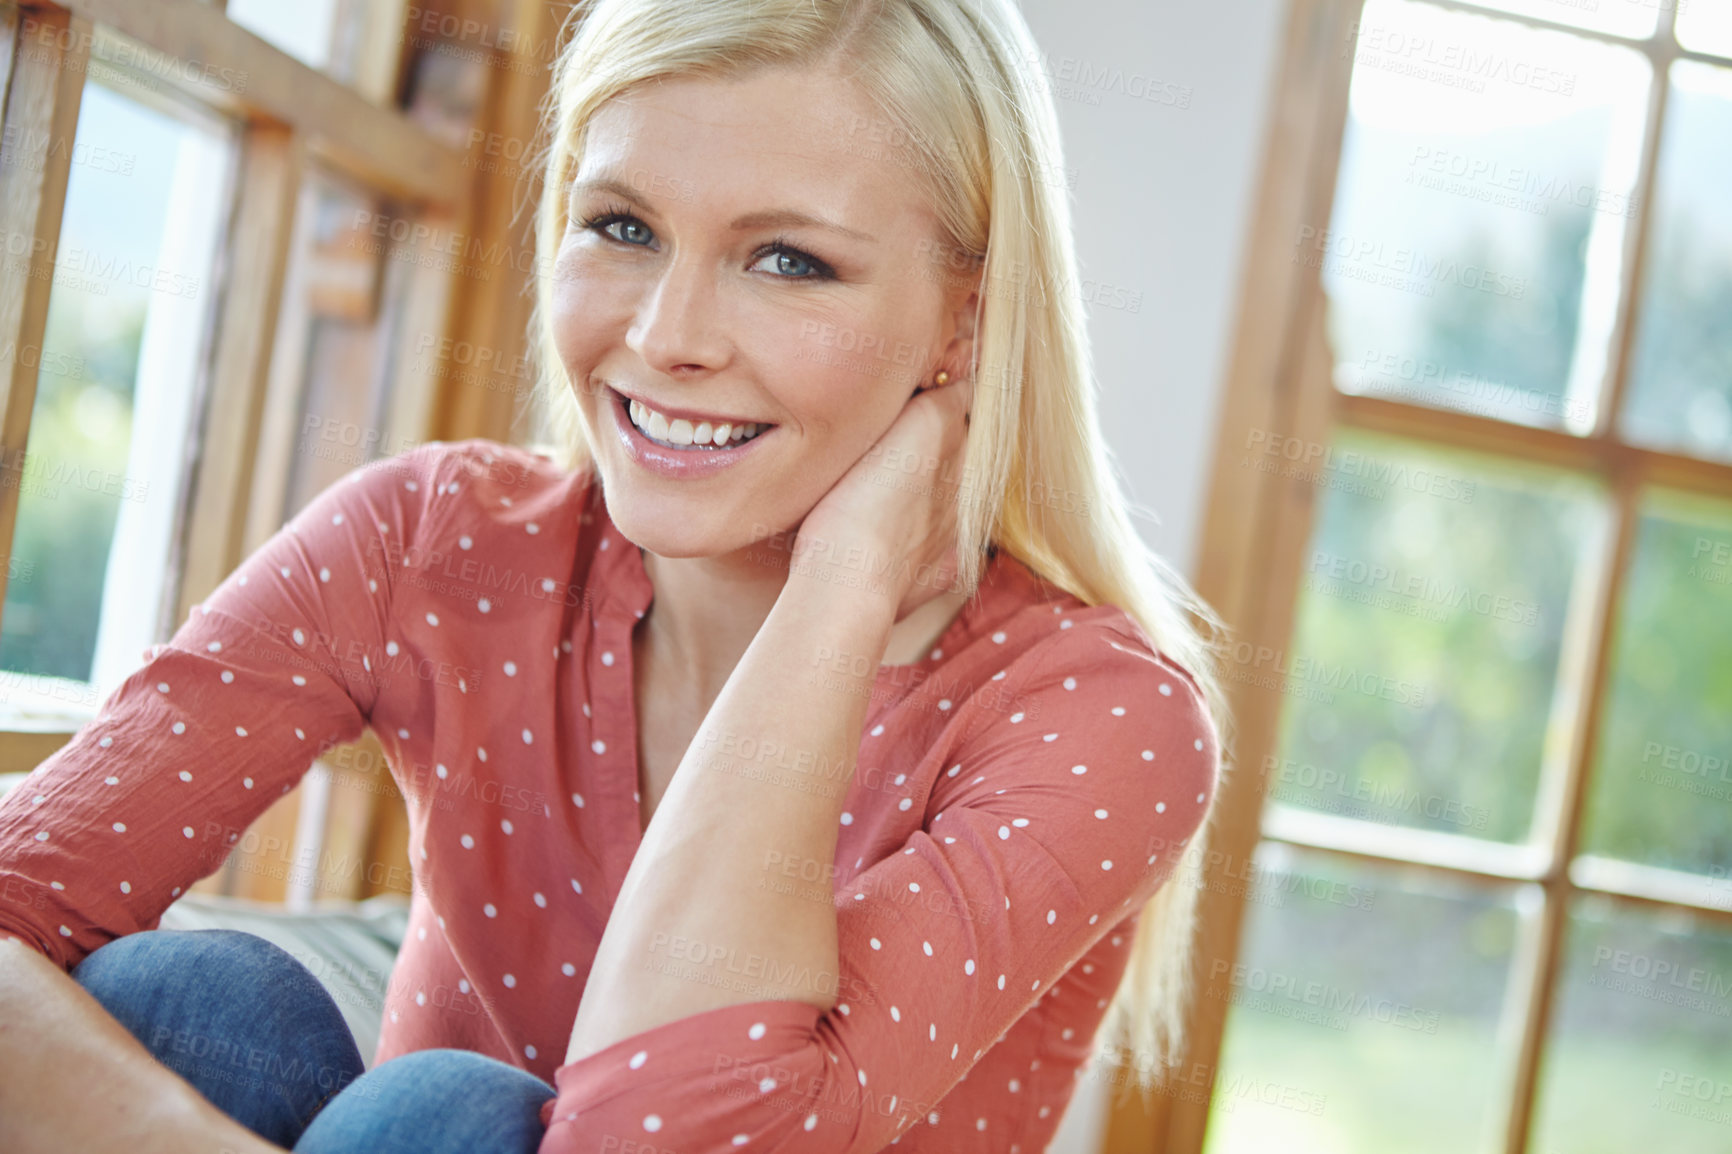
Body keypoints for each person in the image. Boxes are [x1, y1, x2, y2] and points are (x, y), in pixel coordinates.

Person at [0, 0, 1225, 1150]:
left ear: (967, 318)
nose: (665, 337)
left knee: (455, 1111)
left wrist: (840, 588)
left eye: (789, 260)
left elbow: (669, 1124)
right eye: (624, 228)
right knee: (193, 1000)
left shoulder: (1105, 714)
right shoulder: (436, 538)